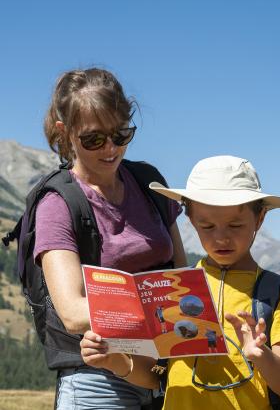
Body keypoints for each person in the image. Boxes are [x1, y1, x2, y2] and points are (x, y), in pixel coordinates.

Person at [80, 155, 280, 410]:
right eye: (207, 226)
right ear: (190, 220)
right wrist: (113, 360)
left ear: (260, 219)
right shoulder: (174, 287)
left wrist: (262, 356)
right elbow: (157, 376)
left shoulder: (274, 293)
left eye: (235, 225)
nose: (222, 238)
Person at [35, 68, 187, 409]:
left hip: (164, 368)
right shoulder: (58, 204)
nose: (110, 148)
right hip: (97, 377)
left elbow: (181, 274)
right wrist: (154, 307)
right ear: (66, 132)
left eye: (120, 134)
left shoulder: (149, 183)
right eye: (93, 139)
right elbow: (73, 312)